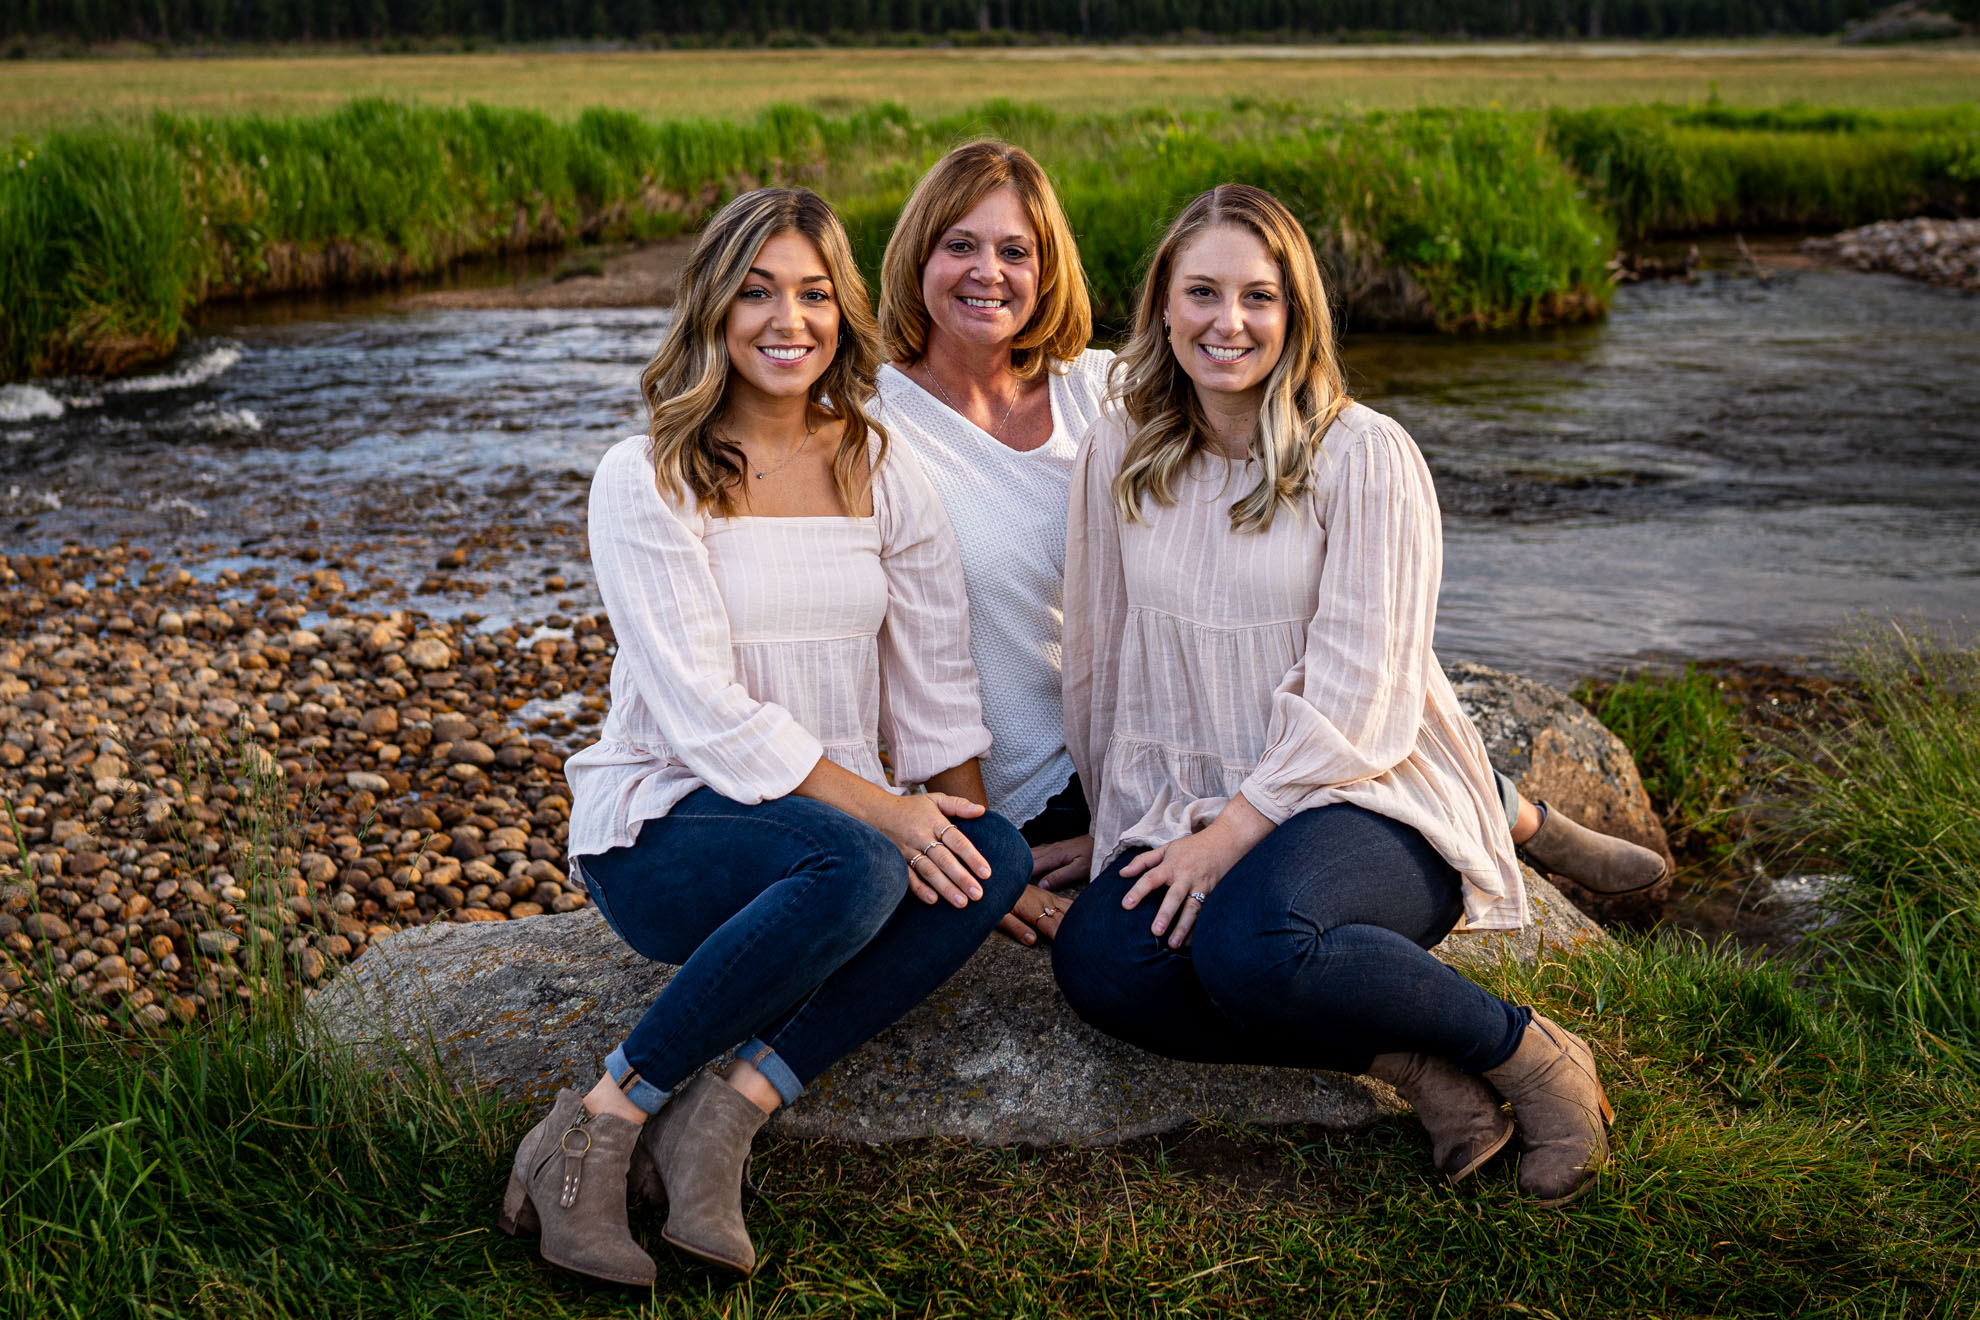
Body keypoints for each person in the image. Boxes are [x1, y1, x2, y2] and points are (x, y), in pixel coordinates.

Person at [873, 143, 1664, 954]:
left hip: (1168, 725)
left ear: (1049, 269)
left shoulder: (1105, 390)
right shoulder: (871, 428)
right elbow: (887, 650)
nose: (988, 272)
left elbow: (1245, 569)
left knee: (1315, 605)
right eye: (959, 244)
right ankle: (1503, 809)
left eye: (1016, 251)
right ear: (917, 254)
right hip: (1050, 767)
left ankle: (1503, 806)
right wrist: (969, 848)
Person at [497, 188, 1030, 1282]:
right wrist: (890, 813)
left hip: (833, 844)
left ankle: (726, 1115)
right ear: (713, 308)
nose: (787, 320)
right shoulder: (647, 474)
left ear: (843, 316)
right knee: (863, 855)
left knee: (996, 858)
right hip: (669, 833)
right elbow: (702, 714)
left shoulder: (885, 469)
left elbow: (934, 692)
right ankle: (597, 1123)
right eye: (756, 292)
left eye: (814, 294)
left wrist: (970, 854)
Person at [1051, 184, 1614, 1206]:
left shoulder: (1365, 456)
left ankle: (1532, 1053)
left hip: (1369, 796)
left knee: (1251, 945)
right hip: (1198, 797)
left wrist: (1228, 838)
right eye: (1203, 293)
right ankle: (1414, 1067)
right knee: (1103, 964)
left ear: (1295, 311)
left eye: (1258, 297)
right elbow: (1104, 654)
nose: (1229, 322)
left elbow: (1362, 695)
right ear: (1163, 308)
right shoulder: (1121, 452)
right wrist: (1116, 830)